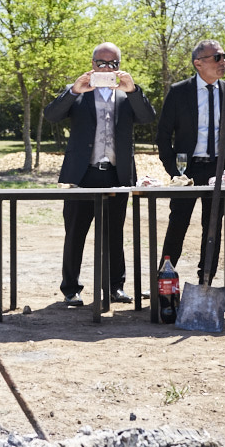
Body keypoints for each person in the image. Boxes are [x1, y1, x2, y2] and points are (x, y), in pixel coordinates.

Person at [44, 42, 156, 306]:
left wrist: (134, 90)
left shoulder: (126, 95)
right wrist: (72, 91)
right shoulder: (79, 92)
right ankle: (71, 289)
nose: (107, 68)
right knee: (75, 233)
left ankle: (115, 287)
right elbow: (51, 115)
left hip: (116, 175)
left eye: (113, 64)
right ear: (92, 63)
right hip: (81, 176)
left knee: (114, 234)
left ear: (119, 67)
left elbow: (148, 118)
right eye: (102, 63)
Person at [156, 39, 225, 283]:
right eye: (217, 57)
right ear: (198, 63)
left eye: (224, 56)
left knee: (213, 228)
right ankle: (165, 279)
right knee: (177, 223)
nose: (224, 62)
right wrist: (174, 171)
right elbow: (163, 134)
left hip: (218, 169)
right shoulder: (179, 92)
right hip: (186, 170)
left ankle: (206, 280)